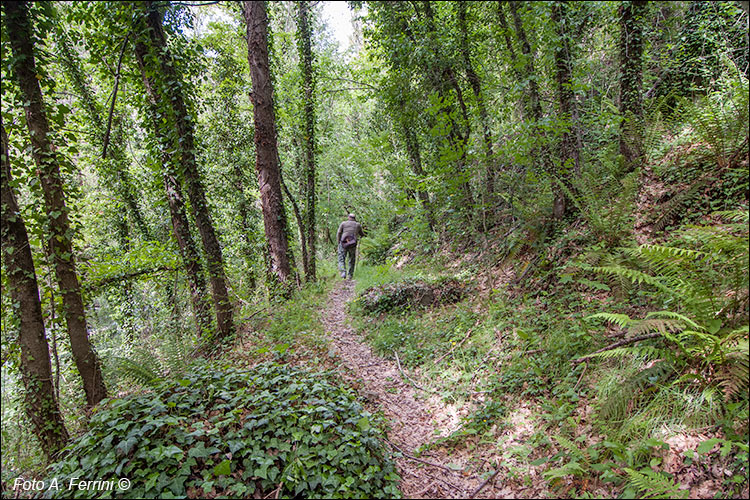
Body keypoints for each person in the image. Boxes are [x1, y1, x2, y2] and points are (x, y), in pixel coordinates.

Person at [336, 213, 364, 279]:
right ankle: (350, 275)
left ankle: (343, 272)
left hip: (343, 243)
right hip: (353, 244)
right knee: (352, 259)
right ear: (354, 218)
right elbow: (362, 234)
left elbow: (339, 233)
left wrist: (338, 242)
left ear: (348, 217)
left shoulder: (343, 223)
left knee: (341, 259)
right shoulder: (358, 225)